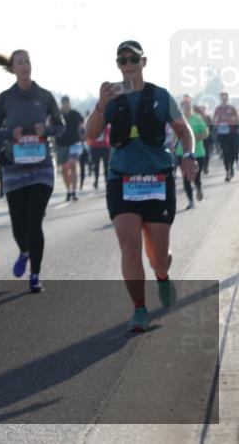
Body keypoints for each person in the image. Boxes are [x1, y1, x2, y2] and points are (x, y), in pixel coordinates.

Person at [84, 40, 198, 332]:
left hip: (157, 180)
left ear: (143, 62)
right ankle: (139, 308)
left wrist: (188, 156)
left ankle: (162, 276)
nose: (128, 64)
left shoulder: (160, 95)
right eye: (122, 60)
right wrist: (100, 105)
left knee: (159, 256)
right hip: (122, 180)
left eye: (133, 58)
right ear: (118, 65)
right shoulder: (112, 97)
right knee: (129, 246)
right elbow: (91, 134)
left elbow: (184, 131)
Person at [0, 50, 64, 293]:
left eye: (28, 62)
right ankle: (24, 251)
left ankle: (35, 274)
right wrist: (11, 134)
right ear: (13, 68)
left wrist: (48, 130)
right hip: (14, 167)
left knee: (34, 221)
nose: (25, 66)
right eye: (20, 62)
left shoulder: (44, 96)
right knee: (18, 226)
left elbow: (60, 126)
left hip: (42, 167)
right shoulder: (5, 98)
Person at [175, 95, 209, 210]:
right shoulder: (178, 120)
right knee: (185, 178)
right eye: (184, 105)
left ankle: (198, 187)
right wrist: (174, 147)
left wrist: (192, 139)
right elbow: (175, 137)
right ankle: (190, 201)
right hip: (181, 153)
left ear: (191, 106)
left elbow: (205, 133)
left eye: (188, 105)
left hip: (197, 153)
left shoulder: (197, 119)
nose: (186, 107)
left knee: (196, 177)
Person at [55, 96, 85, 201]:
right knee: (64, 169)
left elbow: (82, 125)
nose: (65, 104)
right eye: (63, 102)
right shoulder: (57, 114)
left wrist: (83, 135)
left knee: (72, 165)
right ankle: (68, 191)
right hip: (61, 144)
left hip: (74, 143)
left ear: (69, 103)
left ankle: (74, 191)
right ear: (61, 103)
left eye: (66, 102)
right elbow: (50, 125)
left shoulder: (75, 113)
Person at [212, 92, 238, 181]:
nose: (224, 99)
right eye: (222, 98)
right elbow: (214, 120)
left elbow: (236, 119)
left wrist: (227, 119)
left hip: (231, 133)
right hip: (222, 134)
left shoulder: (231, 108)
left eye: (225, 98)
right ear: (220, 99)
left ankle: (231, 166)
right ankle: (228, 171)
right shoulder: (217, 109)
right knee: (225, 153)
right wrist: (217, 121)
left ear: (227, 98)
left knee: (232, 153)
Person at [88, 120, 112, 189]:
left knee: (106, 165)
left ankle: (107, 181)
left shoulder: (107, 125)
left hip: (105, 147)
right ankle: (96, 181)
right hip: (95, 147)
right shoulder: (93, 126)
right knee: (96, 166)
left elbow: (109, 135)